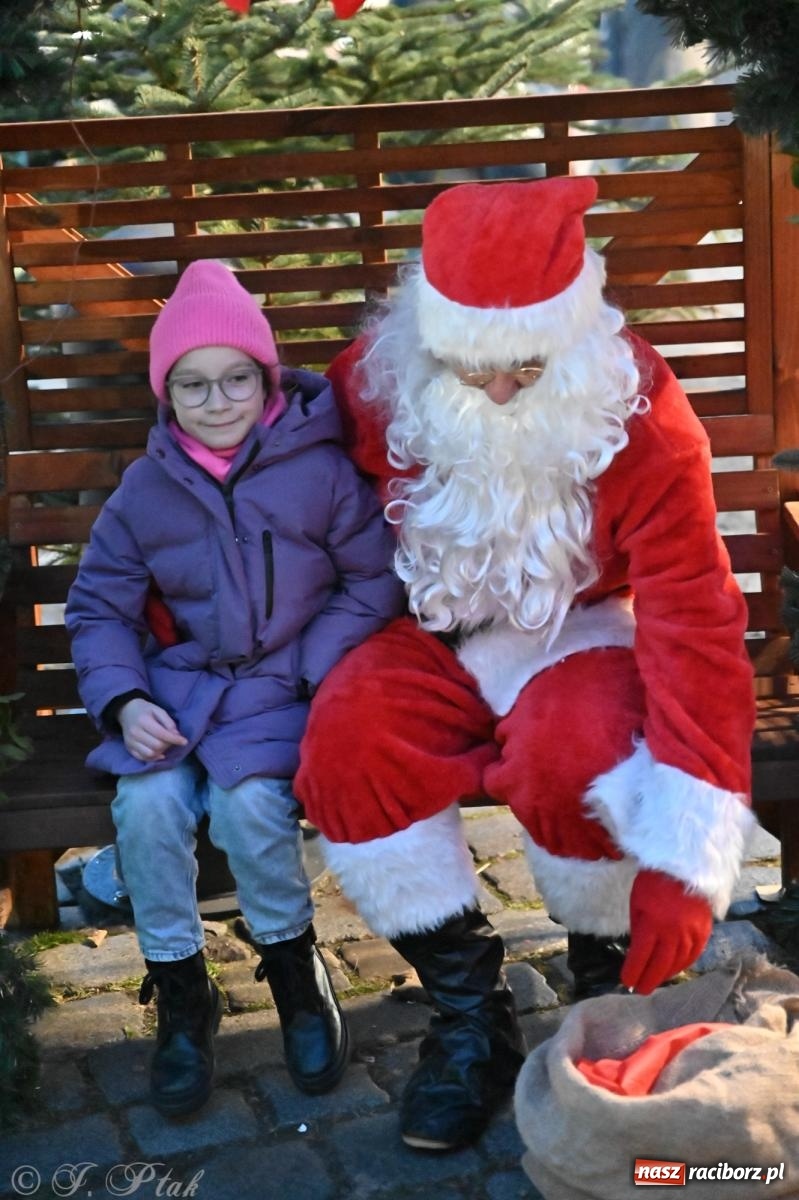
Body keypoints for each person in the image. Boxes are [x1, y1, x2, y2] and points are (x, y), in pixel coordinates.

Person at [294, 176, 757, 1151]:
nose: (499, 390)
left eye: (526, 365)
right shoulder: (370, 379)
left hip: (575, 625)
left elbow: (692, 615)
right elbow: (256, 489)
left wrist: (684, 852)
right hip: (428, 624)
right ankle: (469, 1013)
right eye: (472, 367)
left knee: (580, 748)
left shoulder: (640, 407)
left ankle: (609, 988)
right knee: (348, 741)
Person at [65, 260, 405, 1118]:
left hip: (282, 688)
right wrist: (123, 701)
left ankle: (293, 969)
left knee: (251, 807)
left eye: (236, 380)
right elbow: (98, 606)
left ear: (266, 378)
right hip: (178, 696)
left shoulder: (318, 471)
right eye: (193, 385)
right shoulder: (146, 490)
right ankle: (181, 989)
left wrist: (306, 666)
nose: (217, 402)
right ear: (166, 392)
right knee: (146, 808)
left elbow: (371, 580)